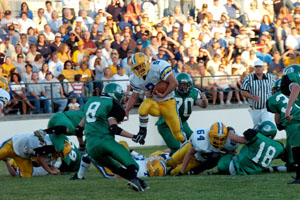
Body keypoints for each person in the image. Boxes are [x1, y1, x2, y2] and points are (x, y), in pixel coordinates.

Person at [74, 83, 149, 191]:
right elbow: (114, 129)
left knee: (116, 168)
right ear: (116, 94)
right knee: (132, 165)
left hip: (91, 147)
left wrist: (81, 145)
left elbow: (78, 129)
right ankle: (135, 181)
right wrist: (134, 136)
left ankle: (139, 182)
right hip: (105, 141)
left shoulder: (91, 101)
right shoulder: (111, 103)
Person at [125, 52, 186, 144]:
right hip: (155, 104)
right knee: (143, 108)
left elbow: (174, 83)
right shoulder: (135, 78)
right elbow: (134, 96)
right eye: (136, 67)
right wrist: (126, 110)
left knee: (178, 134)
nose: (139, 69)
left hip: (168, 103)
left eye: (141, 65)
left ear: (146, 62)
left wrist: (164, 94)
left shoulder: (157, 67)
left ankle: (187, 146)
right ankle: (142, 131)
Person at [156, 73, 208, 154]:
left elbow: (203, 105)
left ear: (189, 85)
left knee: (195, 139)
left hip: (182, 123)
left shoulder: (193, 92)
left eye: (184, 85)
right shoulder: (170, 92)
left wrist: (204, 100)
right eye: (180, 84)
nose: (182, 87)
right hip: (166, 124)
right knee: (177, 148)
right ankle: (164, 157)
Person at [166, 122, 238, 175]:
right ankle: (162, 157)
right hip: (189, 148)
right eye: (216, 138)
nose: (218, 141)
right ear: (210, 135)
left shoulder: (229, 143)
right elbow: (190, 154)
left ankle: (167, 170)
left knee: (173, 172)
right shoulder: (202, 141)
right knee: (172, 160)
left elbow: (231, 154)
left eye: (221, 138)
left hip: (197, 160)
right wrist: (182, 170)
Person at [218, 121, 283, 175]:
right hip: (254, 172)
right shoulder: (279, 146)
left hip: (237, 168)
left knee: (222, 162)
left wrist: (230, 130)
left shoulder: (256, 137)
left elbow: (232, 138)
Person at [267, 78, 300, 184]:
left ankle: (299, 177)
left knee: (296, 149)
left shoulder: (272, 100)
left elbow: (278, 119)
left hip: (293, 121)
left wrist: (279, 125)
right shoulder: (294, 95)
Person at [241, 60, 275, 126]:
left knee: (266, 124)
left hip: (267, 108)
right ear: (254, 68)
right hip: (254, 108)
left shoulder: (270, 77)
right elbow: (243, 92)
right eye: (256, 67)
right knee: (257, 126)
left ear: (263, 68)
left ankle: (267, 136)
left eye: (260, 66)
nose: (258, 68)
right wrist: (252, 96)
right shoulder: (248, 78)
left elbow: (275, 89)